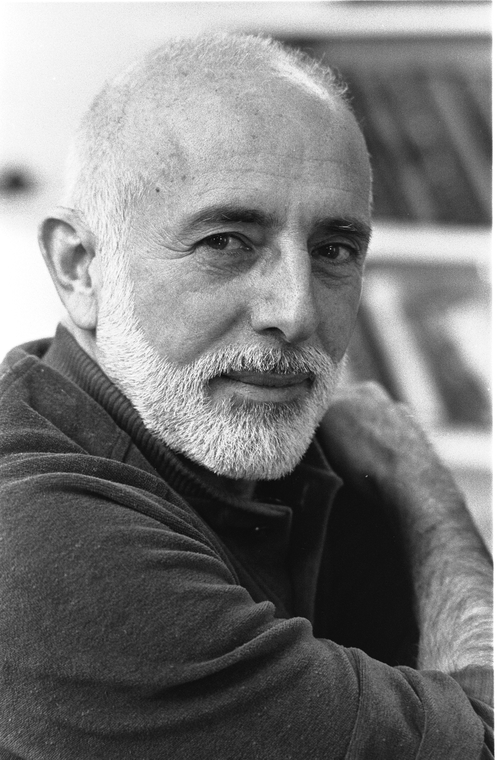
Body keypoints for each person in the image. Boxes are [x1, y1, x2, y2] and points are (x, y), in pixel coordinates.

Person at [0, 33, 492, 759]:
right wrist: (422, 487)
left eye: (332, 250)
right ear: (80, 269)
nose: (293, 312)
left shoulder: (289, 442)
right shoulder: (37, 540)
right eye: (227, 241)